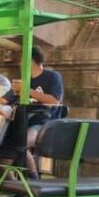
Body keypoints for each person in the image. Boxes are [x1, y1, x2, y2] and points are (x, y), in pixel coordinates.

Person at [11, 46, 64, 179]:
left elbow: (54, 101)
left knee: (21, 143)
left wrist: (27, 90)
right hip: (23, 121)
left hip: (44, 122)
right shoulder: (25, 80)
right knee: (3, 149)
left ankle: (33, 177)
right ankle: (13, 183)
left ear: (31, 60)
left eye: (22, 60)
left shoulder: (52, 76)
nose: (20, 64)